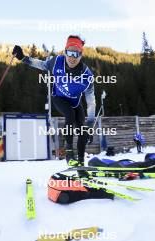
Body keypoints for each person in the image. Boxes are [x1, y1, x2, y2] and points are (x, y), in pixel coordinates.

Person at [12, 35, 96, 166]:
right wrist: (23, 57)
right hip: (59, 98)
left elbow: (91, 103)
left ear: (81, 54)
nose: (72, 57)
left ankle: (80, 163)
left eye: (76, 53)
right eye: (70, 52)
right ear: (65, 51)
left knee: (83, 132)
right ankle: (69, 153)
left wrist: (90, 126)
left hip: (75, 103)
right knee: (69, 115)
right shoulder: (57, 62)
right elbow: (42, 64)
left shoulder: (87, 76)